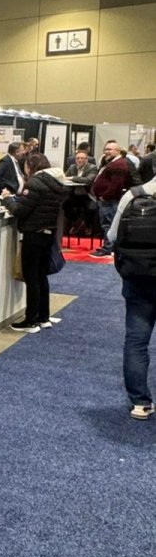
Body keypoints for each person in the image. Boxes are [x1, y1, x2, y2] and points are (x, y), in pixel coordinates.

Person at [0, 154, 70, 332]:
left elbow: (20, 211)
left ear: (30, 166)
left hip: (34, 234)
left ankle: (30, 319)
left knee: (31, 277)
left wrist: (7, 199)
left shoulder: (35, 183)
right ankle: (43, 317)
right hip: (48, 233)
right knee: (41, 276)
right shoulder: (56, 182)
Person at [108, 177, 156, 419]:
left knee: (137, 341)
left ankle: (140, 402)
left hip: (138, 277)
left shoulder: (133, 195)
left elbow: (112, 236)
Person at [90, 141, 139, 258]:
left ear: (117, 151)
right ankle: (108, 247)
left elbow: (116, 185)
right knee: (108, 224)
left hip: (109, 201)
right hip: (107, 200)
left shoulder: (118, 164)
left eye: (109, 149)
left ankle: (108, 248)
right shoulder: (113, 163)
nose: (106, 152)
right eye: (106, 149)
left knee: (108, 225)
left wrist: (105, 196)